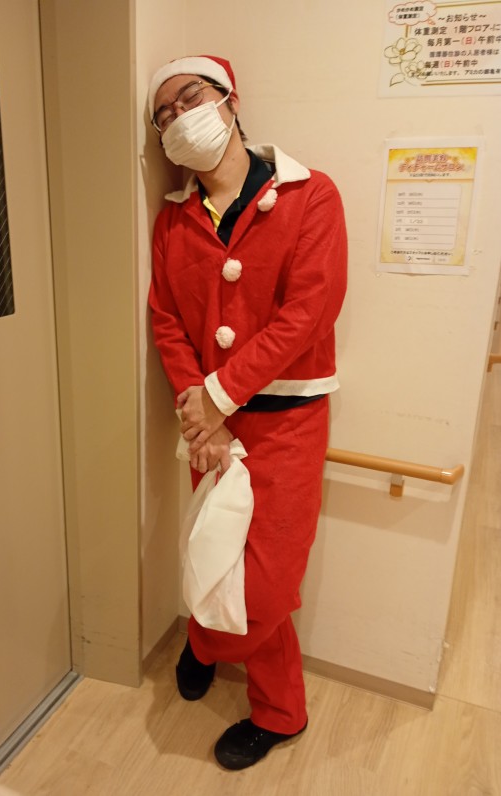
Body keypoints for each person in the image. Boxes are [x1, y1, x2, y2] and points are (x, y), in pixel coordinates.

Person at [147, 55, 347, 770]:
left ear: (230, 100)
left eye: (190, 98)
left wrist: (218, 397)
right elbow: (167, 320)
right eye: (163, 116)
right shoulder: (173, 221)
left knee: (264, 587)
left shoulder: (310, 193)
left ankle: (208, 645)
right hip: (207, 420)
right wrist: (195, 409)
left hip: (286, 418)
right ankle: (278, 708)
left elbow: (310, 310)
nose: (178, 117)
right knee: (213, 553)